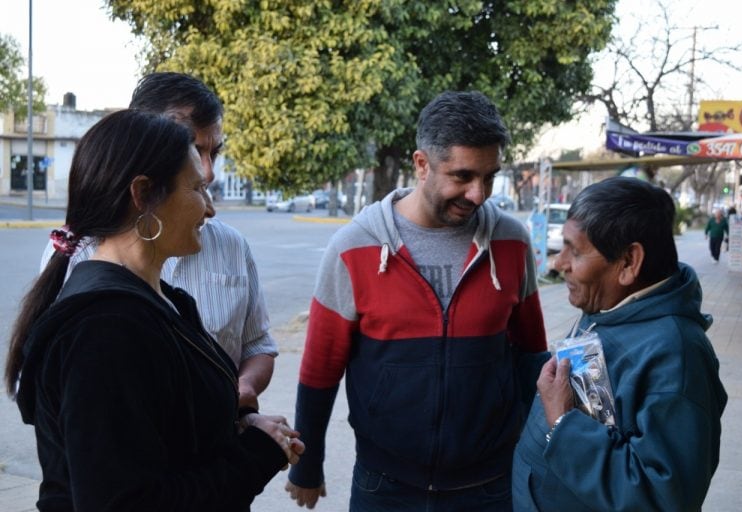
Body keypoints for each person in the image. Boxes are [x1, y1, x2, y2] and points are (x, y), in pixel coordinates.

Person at [5, 110, 304, 511]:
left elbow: (168, 430)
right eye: (197, 189)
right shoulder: (106, 329)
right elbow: (126, 501)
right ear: (143, 194)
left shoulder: (163, 300)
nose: (210, 209)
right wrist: (255, 454)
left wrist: (240, 426)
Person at [285, 91, 547, 511]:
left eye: (489, 176)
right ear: (422, 164)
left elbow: (532, 355)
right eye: (462, 176)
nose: (479, 194)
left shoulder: (512, 242)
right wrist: (307, 463)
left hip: (489, 485)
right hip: (383, 486)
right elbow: (320, 367)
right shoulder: (353, 247)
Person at [39, 72, 277, 413]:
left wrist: (241, 394)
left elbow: (258, 344)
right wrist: (259, 450)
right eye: (194, 151)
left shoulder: (229, 248)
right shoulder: (81, 265)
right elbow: (113, 449)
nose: (208, 173)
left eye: (215, 153)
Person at [512, 177, 728, 511]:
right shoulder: (609, 306)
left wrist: (563, 424)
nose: (559, 263)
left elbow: (663, 499)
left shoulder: (677, 357)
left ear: (628, 262)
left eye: (576, 250)